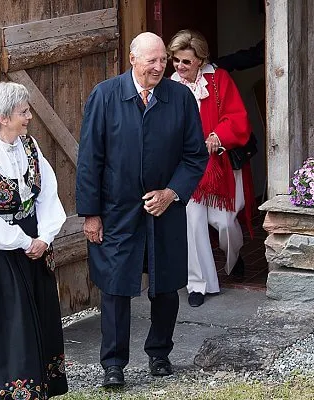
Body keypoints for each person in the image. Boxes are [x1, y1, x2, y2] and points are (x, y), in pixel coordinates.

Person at [76, 32, 209, 388]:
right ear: (133, 59)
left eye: (162, 60)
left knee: (165, 287)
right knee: (116, 287)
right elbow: (90, 160)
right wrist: (91, 214)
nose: (158, 66)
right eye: (151, 60)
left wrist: (171, 192)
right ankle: (113, 364)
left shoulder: (179, 97)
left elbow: (195, 156)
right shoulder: (105, 95)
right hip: (117, 211)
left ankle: (160, 354)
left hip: (164, 210)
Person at [0, 82, 68, 399]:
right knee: (9, 321)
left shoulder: (30, 146)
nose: (30, 117)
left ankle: (40, 385)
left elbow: (48, 193)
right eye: (23, 112)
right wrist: (24, 241)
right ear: (4, 118)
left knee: (40, 313)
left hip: (35, 245)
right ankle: (6, 388)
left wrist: (45, 236)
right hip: (0, 252)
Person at [168, 29, 256, 308]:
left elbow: (237, 117)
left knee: (225, 222)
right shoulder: (169, 85)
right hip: (187, 167)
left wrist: (218, 136)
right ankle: (198, 284)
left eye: (186, 62)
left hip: (220, 166)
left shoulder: (218, 80)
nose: (180, 67)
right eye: (176, 61)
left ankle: (235, 255)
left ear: (200, 60)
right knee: (192, 221)